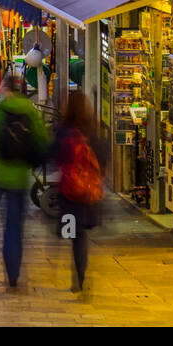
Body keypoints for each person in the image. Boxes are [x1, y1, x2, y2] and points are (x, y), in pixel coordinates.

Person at [0, 74, 50, 289]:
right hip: (20, 176)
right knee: (14, 225)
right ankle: (13, 271)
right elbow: (41, 139)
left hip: (2, 172)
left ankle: (5, 257)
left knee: (3, 221)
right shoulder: (30, 110)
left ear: (7, 88)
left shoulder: (1, 109)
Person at [53, 91, 108, 294]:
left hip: (70, 192)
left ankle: (76, 272)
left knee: (73, 234)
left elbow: (55, 154)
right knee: (81, 235)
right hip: (89, 192)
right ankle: (81, 274)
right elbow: (103, 155)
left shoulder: (64, 130)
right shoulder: (92, 130)